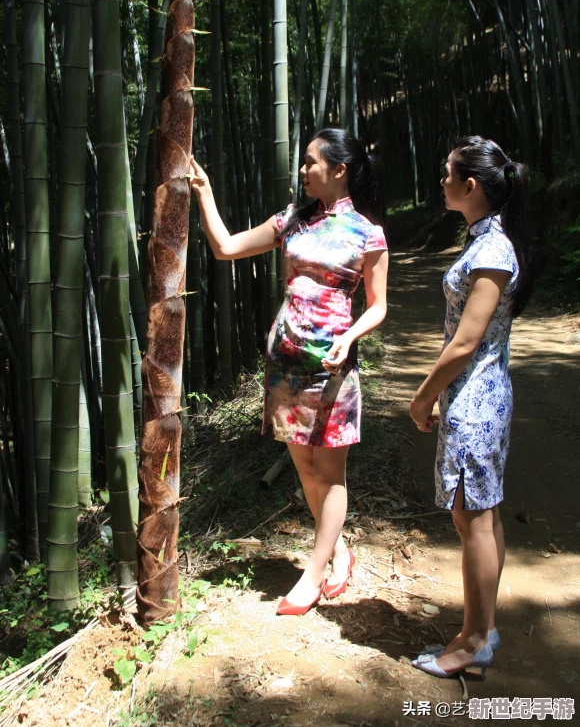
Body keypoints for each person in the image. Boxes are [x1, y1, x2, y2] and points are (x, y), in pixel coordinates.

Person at [189, 128, 389, 615]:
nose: (302, 172)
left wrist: (349, 336)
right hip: (285, 364)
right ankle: (338, 551)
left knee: (330, 471)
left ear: (338, 170)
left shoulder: (368, 232)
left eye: (310, 163)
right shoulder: (292, 221)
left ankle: (313, 574)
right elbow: (227, 247)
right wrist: (206, 195)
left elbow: (379, 306)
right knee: (304, 468)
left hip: (332, 365)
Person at [409, 136, 533, 679]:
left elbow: (464, 342)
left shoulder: (491, 250)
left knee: (473, 519)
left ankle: (474, 640)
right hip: (479, 396)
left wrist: (423, 395)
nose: (442, 182)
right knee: (482, 514)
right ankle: (480, 627)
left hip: (475, 401)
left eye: (447, 174)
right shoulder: (483, 240)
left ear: (470, 185)